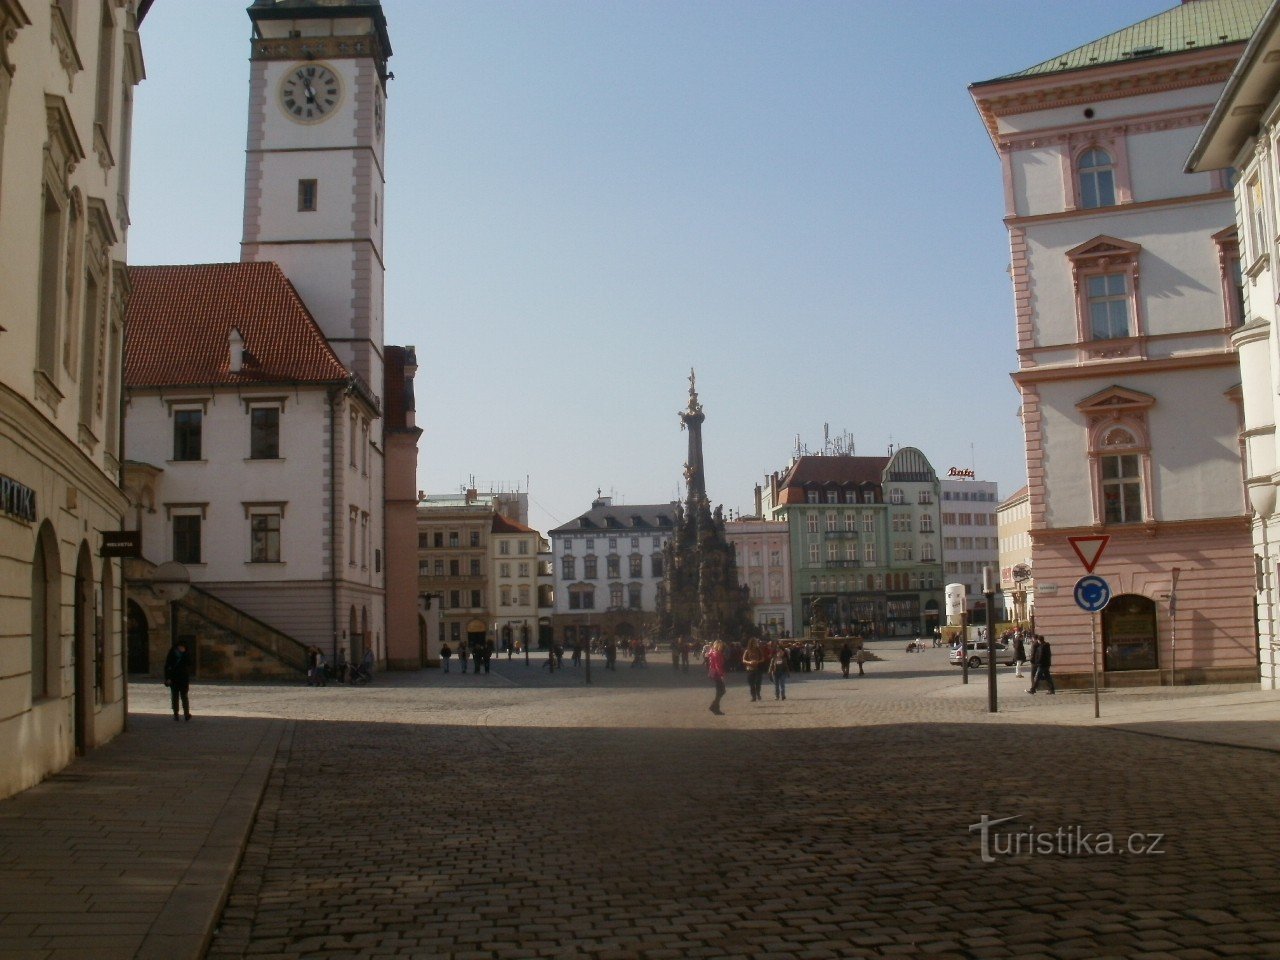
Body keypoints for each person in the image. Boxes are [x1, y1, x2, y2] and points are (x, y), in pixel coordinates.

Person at [164, 640, 193, 722]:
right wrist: (168, 678)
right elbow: (167, 666)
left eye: (183, 647)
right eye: (180, 647)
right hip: (174, 678)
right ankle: (176, 714)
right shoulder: (172, 654)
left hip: (183, 678)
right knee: (175, 697)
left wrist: (185, 655)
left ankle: (186, 714)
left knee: (184, 696)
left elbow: (189, 663)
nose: (182, 648)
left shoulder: (186, 654)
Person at [706, 639, 727, 715]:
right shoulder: (717, 654)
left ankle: (715, 707)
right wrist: (721, 675)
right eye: (721, 646)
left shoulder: (713, 652)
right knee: (721, 691)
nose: (722, 647)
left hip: (714, 673)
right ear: (718, 646)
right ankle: (714, 706)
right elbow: (718, 666)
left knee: (720, 691)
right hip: (717, 674)